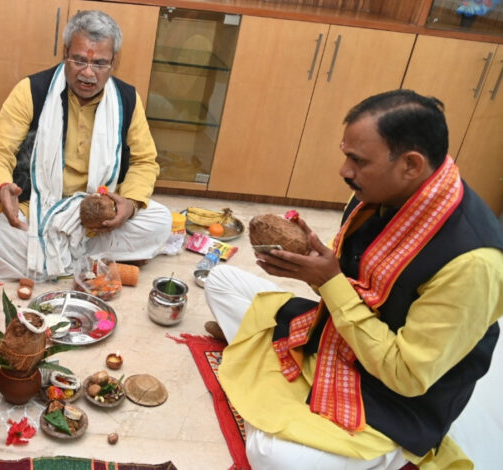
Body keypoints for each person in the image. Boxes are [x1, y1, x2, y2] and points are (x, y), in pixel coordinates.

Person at [204, 90, 503, 469]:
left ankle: (358, 446)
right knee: (221, 281)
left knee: (272, 457)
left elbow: (406, 374)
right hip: (334, 336)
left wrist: (329, 282)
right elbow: (354, 282)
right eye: (346, 154)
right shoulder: (380, 193)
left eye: (357, 160)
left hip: (391, 397)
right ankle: (292, 405)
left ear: (410, 164)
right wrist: (313, 266)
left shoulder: (474, 261)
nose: (344, 170)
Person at [0, 10, 171, 281]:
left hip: (96, 216)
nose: (88, 73)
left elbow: (144, 161)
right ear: (65, 52)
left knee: (160, 221)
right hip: (38, 208)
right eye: (79, 60)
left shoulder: (127, 99)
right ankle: (86, 263)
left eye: (100, 63)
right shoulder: (32, 91)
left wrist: (130, 203)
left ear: (115, 61)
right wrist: (0, 186)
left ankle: (53, 260)